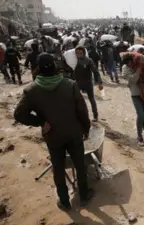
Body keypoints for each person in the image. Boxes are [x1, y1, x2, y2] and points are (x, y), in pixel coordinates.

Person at [14, 53, 94, 211]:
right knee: (79, 163)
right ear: (55, 65)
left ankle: (64, 201)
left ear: (38, 69)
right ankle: (84, 195)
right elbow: (82, 110)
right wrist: (86, 128)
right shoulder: (69, 84)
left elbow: (19, 114)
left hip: (53, 136)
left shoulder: (31, 90)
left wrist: (41, 122)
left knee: (58, 168)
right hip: (73, 133)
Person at [122, 53, 144, 146]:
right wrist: (138, 71)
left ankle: (142, 121)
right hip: (135, 94)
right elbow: (132, 79)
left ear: (133, 60)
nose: (129, 64)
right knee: (140, 114)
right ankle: (140, 137)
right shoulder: (125, 68)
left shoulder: (140, 63)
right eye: (127, 63)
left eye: (129, 62)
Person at [73, 46, 103, 121]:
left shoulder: (88, 60)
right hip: (77, 84)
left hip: (88, 83)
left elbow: (95, 72)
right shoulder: (73, 61)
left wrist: (100, 82)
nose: (78, 54)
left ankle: (95, 115)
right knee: (76, 100)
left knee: (91, 99)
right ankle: (78, 116)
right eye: (77, 53)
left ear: (84, 53)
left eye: (80, 53)